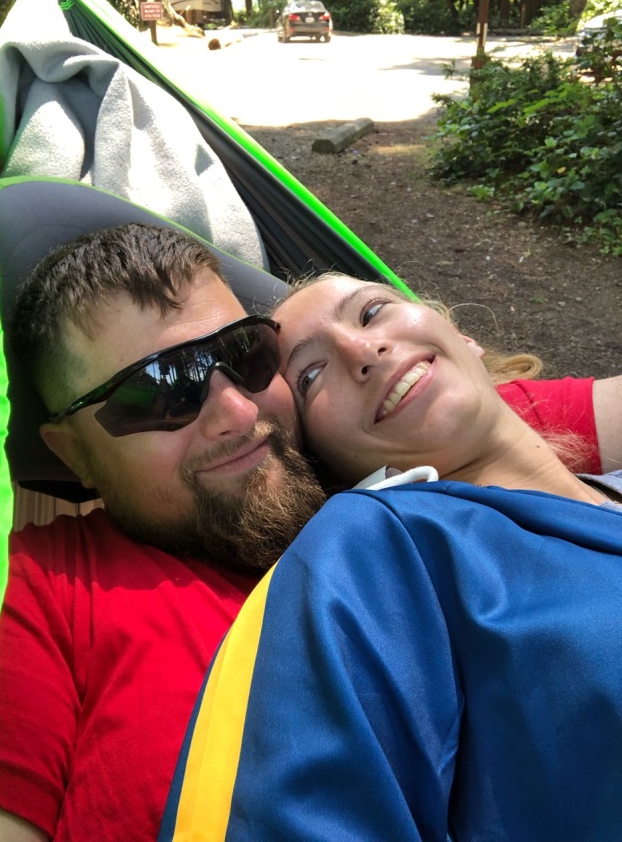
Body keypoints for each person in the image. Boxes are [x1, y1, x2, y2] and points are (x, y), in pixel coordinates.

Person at [0, 229, 619, 842]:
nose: (236, 412)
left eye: (245, 356)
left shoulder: (371, 430)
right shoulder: (42, 587)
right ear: (73, 455)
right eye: (159, 392)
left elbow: (489, 414)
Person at [159, 273, 622, 841]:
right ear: (326, 455)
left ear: (461, 335)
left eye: (373, 311)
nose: (362, 351)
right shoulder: (366, 549)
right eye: (311, 374)